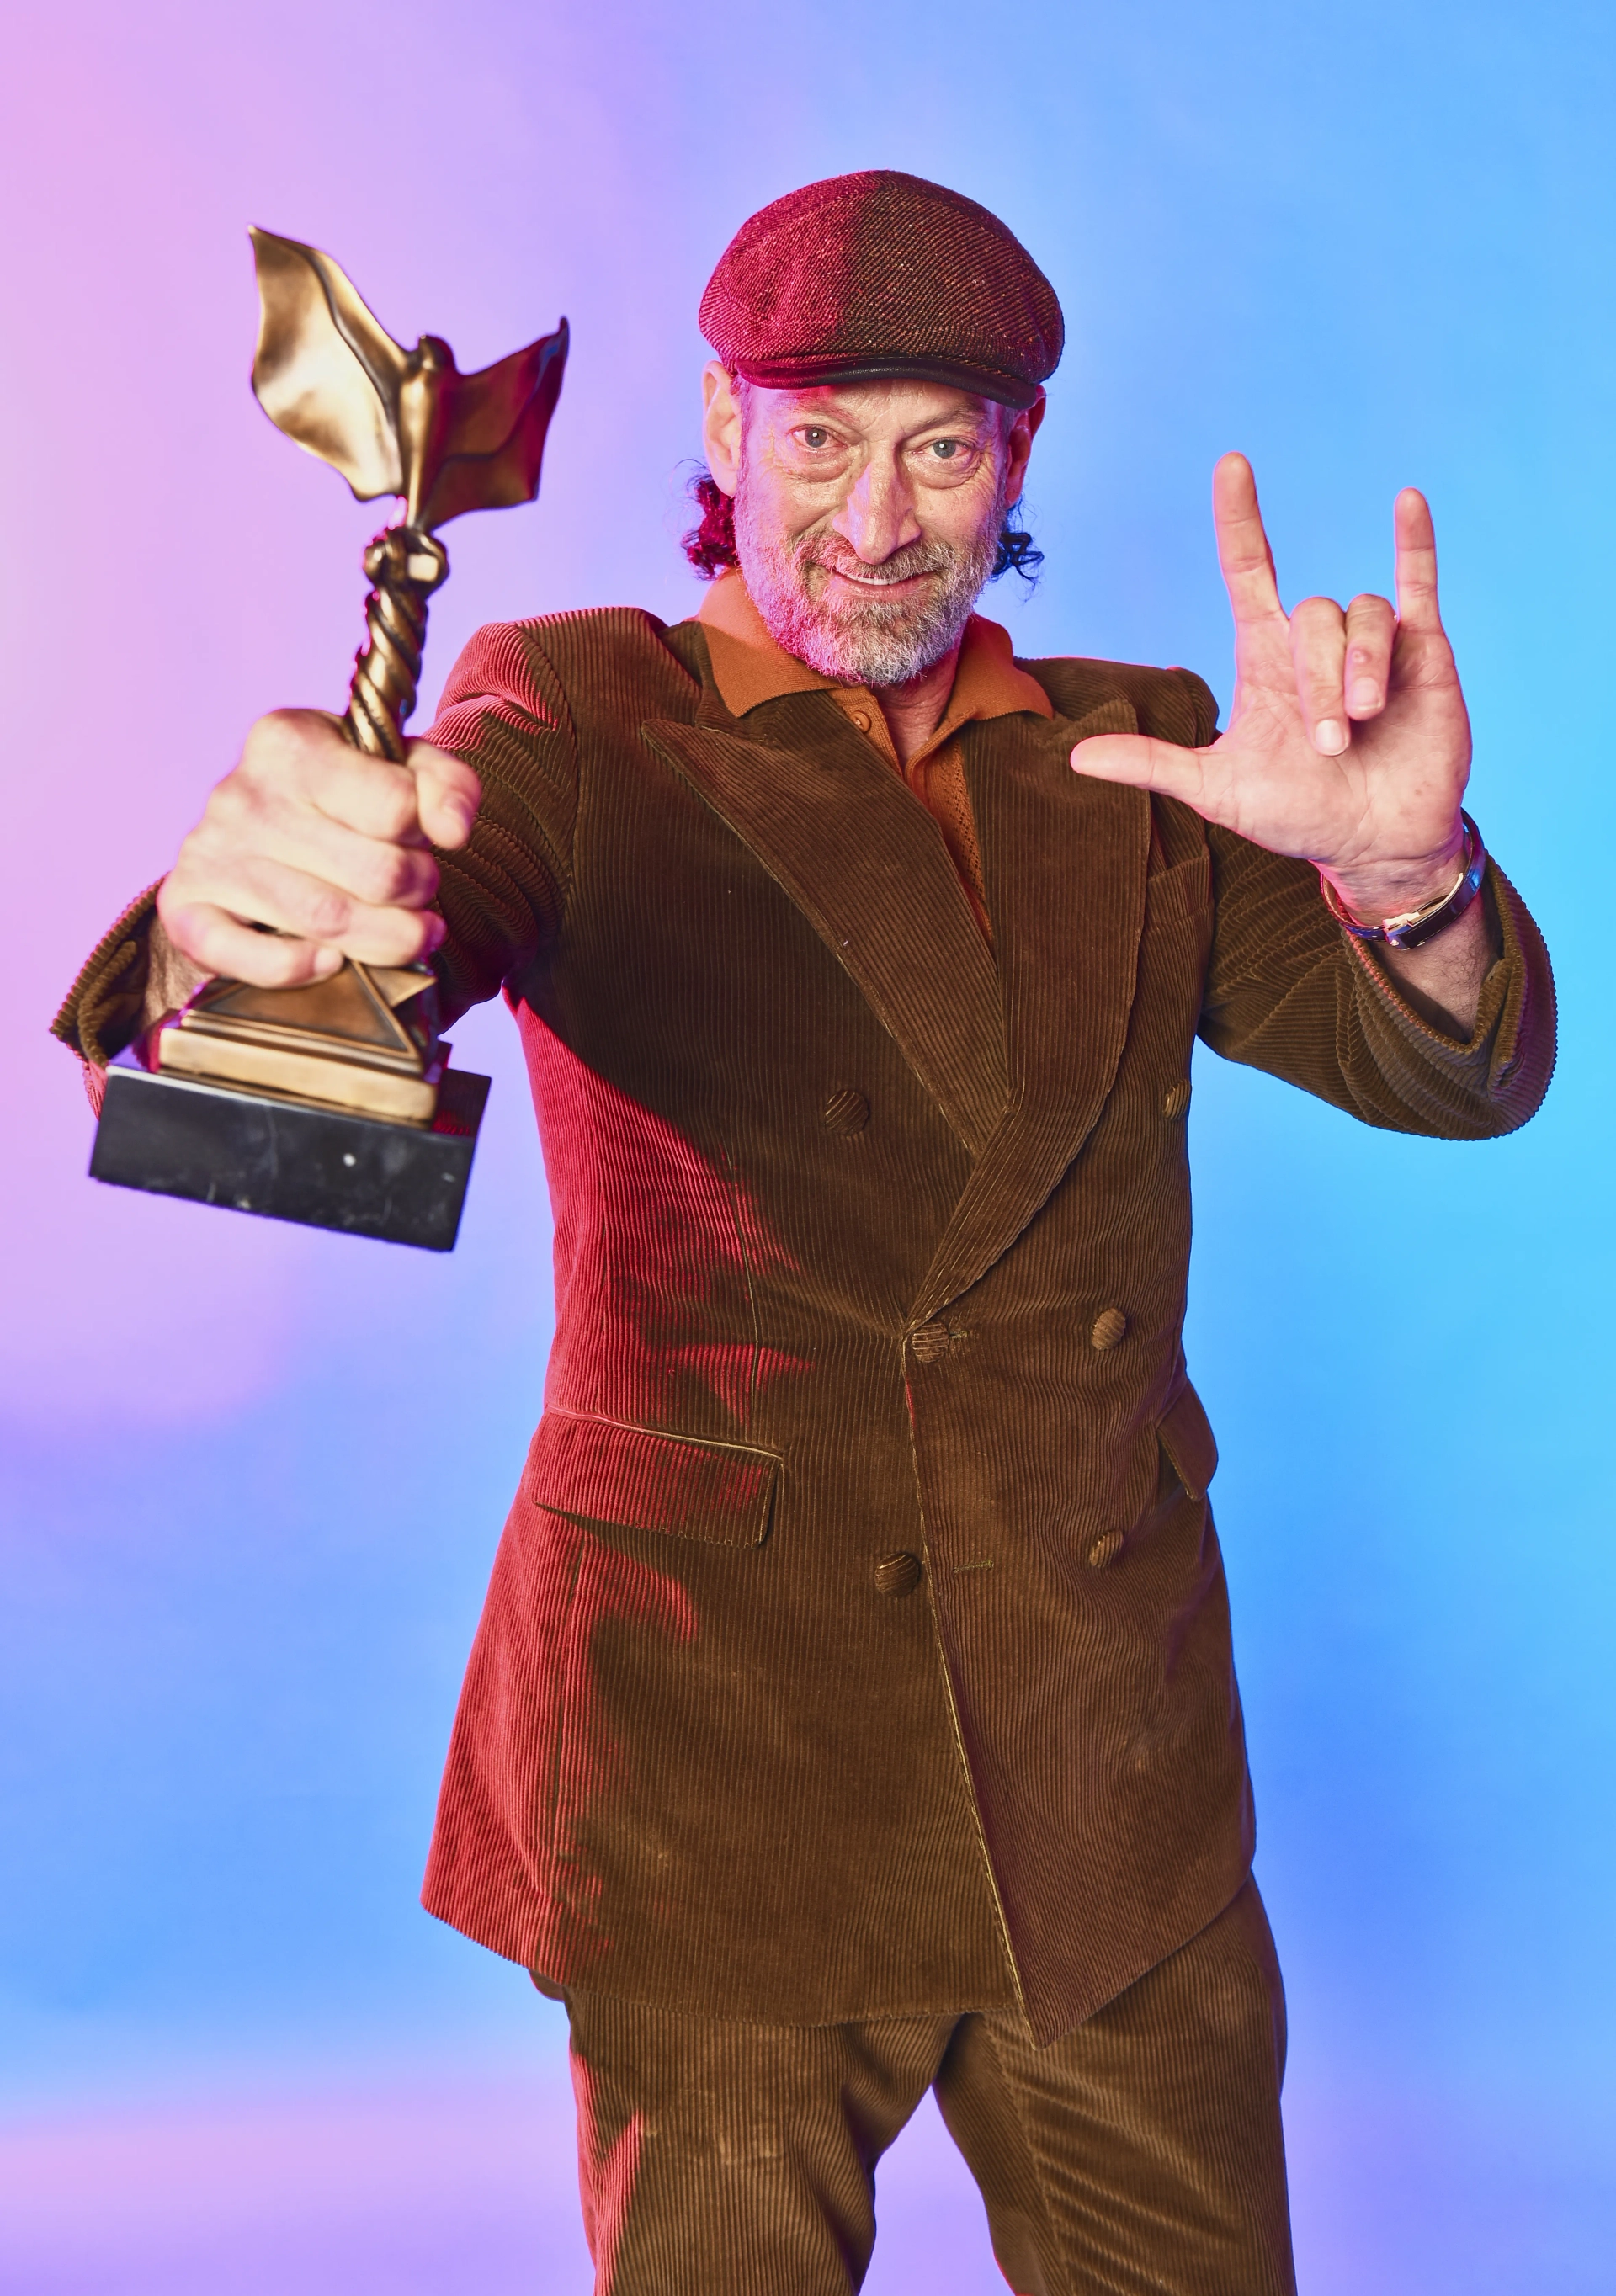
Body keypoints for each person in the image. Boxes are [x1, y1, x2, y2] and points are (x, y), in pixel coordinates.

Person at [56, 172, 1555, 2295]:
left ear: (1016, 455)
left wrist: (1409, 875)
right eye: (820, 438)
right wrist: (270, 928)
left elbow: (1454, 1073)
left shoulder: (1150, 759)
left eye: (940, 443)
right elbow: (413, 897)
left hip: (1104, 1782)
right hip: (720, 1772)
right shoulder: (577, 714)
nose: (875, 518)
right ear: (719, 429)